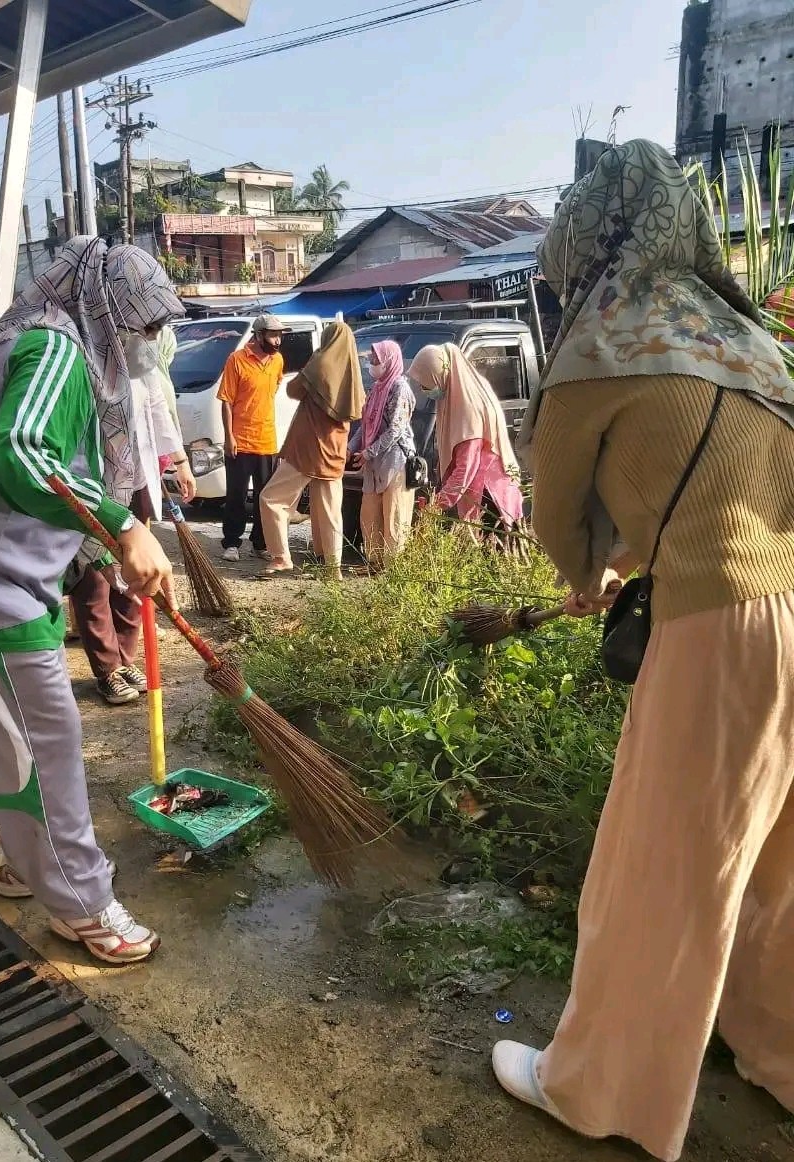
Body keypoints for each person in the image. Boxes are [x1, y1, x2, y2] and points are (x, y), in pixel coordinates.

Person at [492, 140, 794, 1162]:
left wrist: (593, 571)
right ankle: (780, 1055)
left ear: (590, 237)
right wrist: (645, 553)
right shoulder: (750, 343)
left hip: (721, 631)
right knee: (779, 865)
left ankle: (599, 1092)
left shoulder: (602, 346)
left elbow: (557, 516)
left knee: (661, 867)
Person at [0, 237, 183, 966]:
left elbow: (40, 467)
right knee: (48, 741)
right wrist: (122, 526)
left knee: (8, 737)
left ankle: (28, 862)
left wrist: (109, 549)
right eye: (147, 325)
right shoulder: (56, 349)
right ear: (108, 311)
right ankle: (83, 903)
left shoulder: (30, 341)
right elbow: (23, 454)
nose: (153, 341)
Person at [68, 326, 195, 706]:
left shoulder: (142, 365)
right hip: (93, 484)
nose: (151, 335)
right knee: (93, 580)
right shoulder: (83, 361)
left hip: (137, 479)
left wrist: (181, 462)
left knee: (134, 574)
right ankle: (107, 668)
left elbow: (158, 412)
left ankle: (126, 658)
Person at [258, 320, 364, 580]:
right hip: (335, 450)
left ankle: (281, 557)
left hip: (308, 449)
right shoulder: (353, 373)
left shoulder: (321, 364)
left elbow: (292, 390)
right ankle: (333, 567)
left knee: (271, 498)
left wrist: (312, 363)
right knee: (330, 511)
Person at [407, 343, 524, 543]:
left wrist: (438, 504)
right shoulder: (466, 392)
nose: (422, 389)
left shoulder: (468, 408)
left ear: (439, 375)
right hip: (491, 489)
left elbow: (466, 466)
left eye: (425, 383)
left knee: (490, 555)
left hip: (489, 496)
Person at [217, 314, 287, 562]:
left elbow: (273, 390)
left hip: (267, 441)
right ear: (258, 336)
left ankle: (260, 543)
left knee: (263, 497)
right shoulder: (237, 360)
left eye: (279, 335)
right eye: (272, 335)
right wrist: (229, 437)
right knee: (236, 495)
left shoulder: (277, 360)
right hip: (241, 440)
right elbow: (226, 401)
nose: (277, 340)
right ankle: (231, 543)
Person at [348, 340, 416, 569]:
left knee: (394, 514)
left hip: (395, 460)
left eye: (376, 359)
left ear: (389, 361)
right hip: (373, 462)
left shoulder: (399, 388)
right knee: (370, 514)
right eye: (371, 359)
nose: (372, 363)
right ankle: (374, 562)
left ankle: (392, 567)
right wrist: (351, 447)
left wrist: (369, 452)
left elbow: (396, 428)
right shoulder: (376, 389)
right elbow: (366, 424)